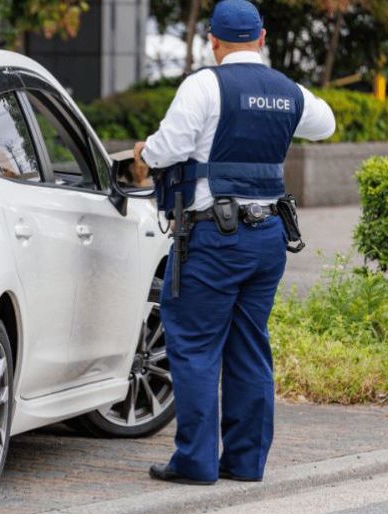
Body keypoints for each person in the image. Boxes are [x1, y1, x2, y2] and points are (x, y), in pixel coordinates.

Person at [133, 0, 335, 485]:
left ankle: (196, 462)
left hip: (215, 236)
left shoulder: (205, 85)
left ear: (214, 41)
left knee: (196, 344)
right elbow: (325, 125)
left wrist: (145, 150)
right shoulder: (288, 91)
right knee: (249, 347)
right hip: (269, 238)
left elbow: (169, 148)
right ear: (262, 39)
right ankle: (245, 462)